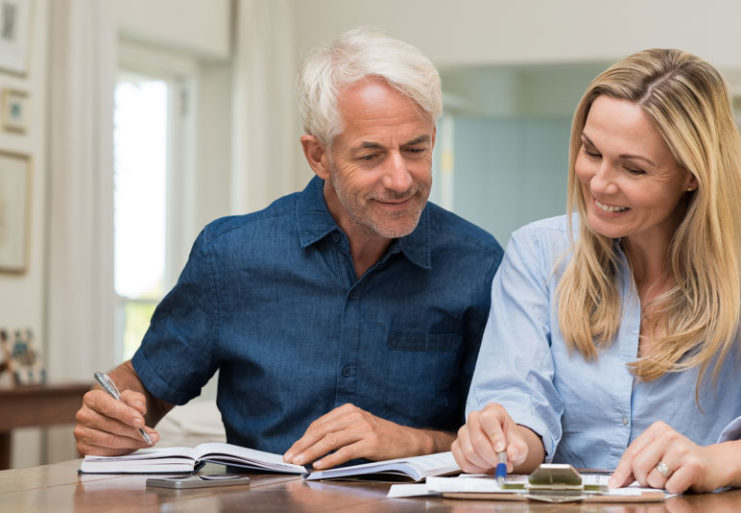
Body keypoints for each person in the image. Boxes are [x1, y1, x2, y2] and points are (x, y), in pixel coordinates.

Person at [74, 28, 503, 470]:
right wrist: (111, 420)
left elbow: (501, 441)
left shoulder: (477, 263)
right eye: (370, 156)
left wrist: (406, 441)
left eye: (416, 149)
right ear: (318, 156)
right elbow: (145, 389)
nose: (400, 179)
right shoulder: (230, 256)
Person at [451, 48, 741, 494]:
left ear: (693, 175)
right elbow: (521, 409)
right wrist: (504, 443)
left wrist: (712, 461)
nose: (599, 183)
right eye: (591, 151)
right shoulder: (538, 253)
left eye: (633, 167)